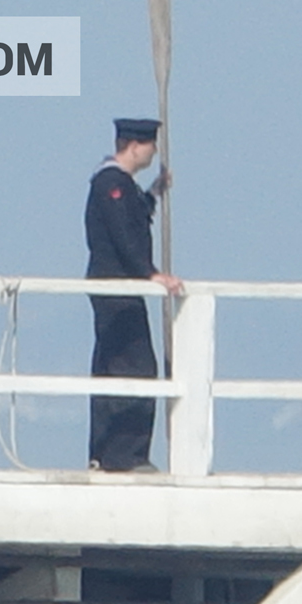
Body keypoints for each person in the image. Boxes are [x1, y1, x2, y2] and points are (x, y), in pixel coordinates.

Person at [86, 117, 181, 472]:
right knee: (133, 367)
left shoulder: (120, 186)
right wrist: (151, 273)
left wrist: (153, 194)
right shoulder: (110, 183)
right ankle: (121, 454)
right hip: (116, 288)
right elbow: (123, 236)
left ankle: (113, 453)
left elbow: (132, 214)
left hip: (123, 288)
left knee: (119, 365)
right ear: (135, 146)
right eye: (150, 145)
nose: (154, 152)